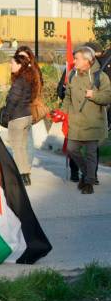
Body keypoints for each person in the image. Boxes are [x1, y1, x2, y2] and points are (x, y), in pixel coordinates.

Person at [63, 45, 111, 195]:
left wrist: (94, 95)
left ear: (87, 60)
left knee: (91, 153)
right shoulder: (72, 74)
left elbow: (108, 97)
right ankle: (87, 173)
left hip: (93, 122)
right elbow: (68, 97)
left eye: (77, 58)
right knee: (71, 149)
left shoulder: (100, 77)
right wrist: (62, 113)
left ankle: (89, 182)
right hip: (76, 123)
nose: (74, 61)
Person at [2, 50, 40, 185]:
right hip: (27, 116)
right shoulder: (29, 78)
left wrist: (6, 116)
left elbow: (12, 100)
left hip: (17, 118)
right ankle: (25, 175)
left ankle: (22, 176)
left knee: (17, 148)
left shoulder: (19, 80)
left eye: (12, 63)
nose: (10, 65)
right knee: (22, 147)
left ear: (19, 65)